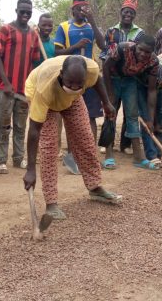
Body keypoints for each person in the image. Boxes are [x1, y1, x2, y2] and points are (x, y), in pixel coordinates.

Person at [23, 55, 120, 221]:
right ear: (61, 74)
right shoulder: (43, 89)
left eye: (79, 84)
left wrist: (106, 102)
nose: (75, 87)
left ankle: (95, 187)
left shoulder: (90, 70)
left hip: (70, 101)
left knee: (85, 139)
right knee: (49, 148)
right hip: (44, 96)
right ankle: (51, 202)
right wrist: (30, 169)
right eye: (70, 83)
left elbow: (97, 80)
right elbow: (34, 130)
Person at [0, 0, 41, 174]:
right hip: (6, 88)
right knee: (4, 125)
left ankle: (19, 158)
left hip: (23, 89)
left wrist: (32, 84)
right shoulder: (6, 29)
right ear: (16, 10)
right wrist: (5, 82)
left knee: (21, 126)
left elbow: (35, 61)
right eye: (23, 11)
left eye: (29, 12)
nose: (26, 14)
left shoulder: (34, 35)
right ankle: (1, 161)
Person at [54, 0, 106, 146]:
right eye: (79, 9)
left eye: (85, 8)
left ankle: (91, 151)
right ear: (73, 11)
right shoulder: (64, 27)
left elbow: (103, 46)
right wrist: (75, 47)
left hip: (89, 77)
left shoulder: (92, 26)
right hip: (70, 78)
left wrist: (93, 22)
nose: (83, 11)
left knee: (91, 116)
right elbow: (57, 53)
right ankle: (73, 151)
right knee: (71, 116)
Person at [102, 35, 159, 169]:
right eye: (141, 50)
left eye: (148, 52)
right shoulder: (122, 48)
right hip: (112, 79)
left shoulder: (153, 62)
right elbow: (105, 67)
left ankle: (138, 158)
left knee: (133, 116)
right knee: (111, 114)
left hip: (130, 81)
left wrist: (150, 119)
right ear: (136, 44)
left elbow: (152, 91)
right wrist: (109, 94)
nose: (143, 54)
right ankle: (109, 155)